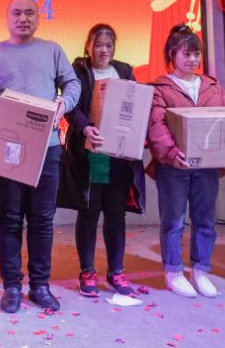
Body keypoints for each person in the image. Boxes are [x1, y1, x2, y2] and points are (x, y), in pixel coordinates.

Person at [0, 0, 80, 313]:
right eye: (17, 13)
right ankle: (11, 286)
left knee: (42, 219)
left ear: (38, 17)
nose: (23, 18)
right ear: (7, 18)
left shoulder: (53, 50)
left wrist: (64, 103)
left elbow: (72, 83)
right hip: (7, 147)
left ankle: (40, 285)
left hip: (47, 148)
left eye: (30, 13)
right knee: (9, 218)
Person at [146, 25, 225, 299]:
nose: (193, 59)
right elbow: (156, 126)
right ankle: (173, 271)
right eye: (186, 53)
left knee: (205, 220)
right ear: (172, 54)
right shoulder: (160, 88)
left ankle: (200, 270)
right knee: (173, 221)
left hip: (206, 167)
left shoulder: (211, 86)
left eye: (196, 53)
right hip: (173, 167)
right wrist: (172, 154)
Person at [57, 24, 145, 299]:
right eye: (98, 45)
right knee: (89, 212)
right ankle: (87, 271)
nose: (104, 50)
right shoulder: (79, 71)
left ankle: (116, 271)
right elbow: (71, 108)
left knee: (116, 214)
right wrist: (85, 127)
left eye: (109, 45)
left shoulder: (125, 71)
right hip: (91, 154)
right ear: (88, 46)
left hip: (119, 157)